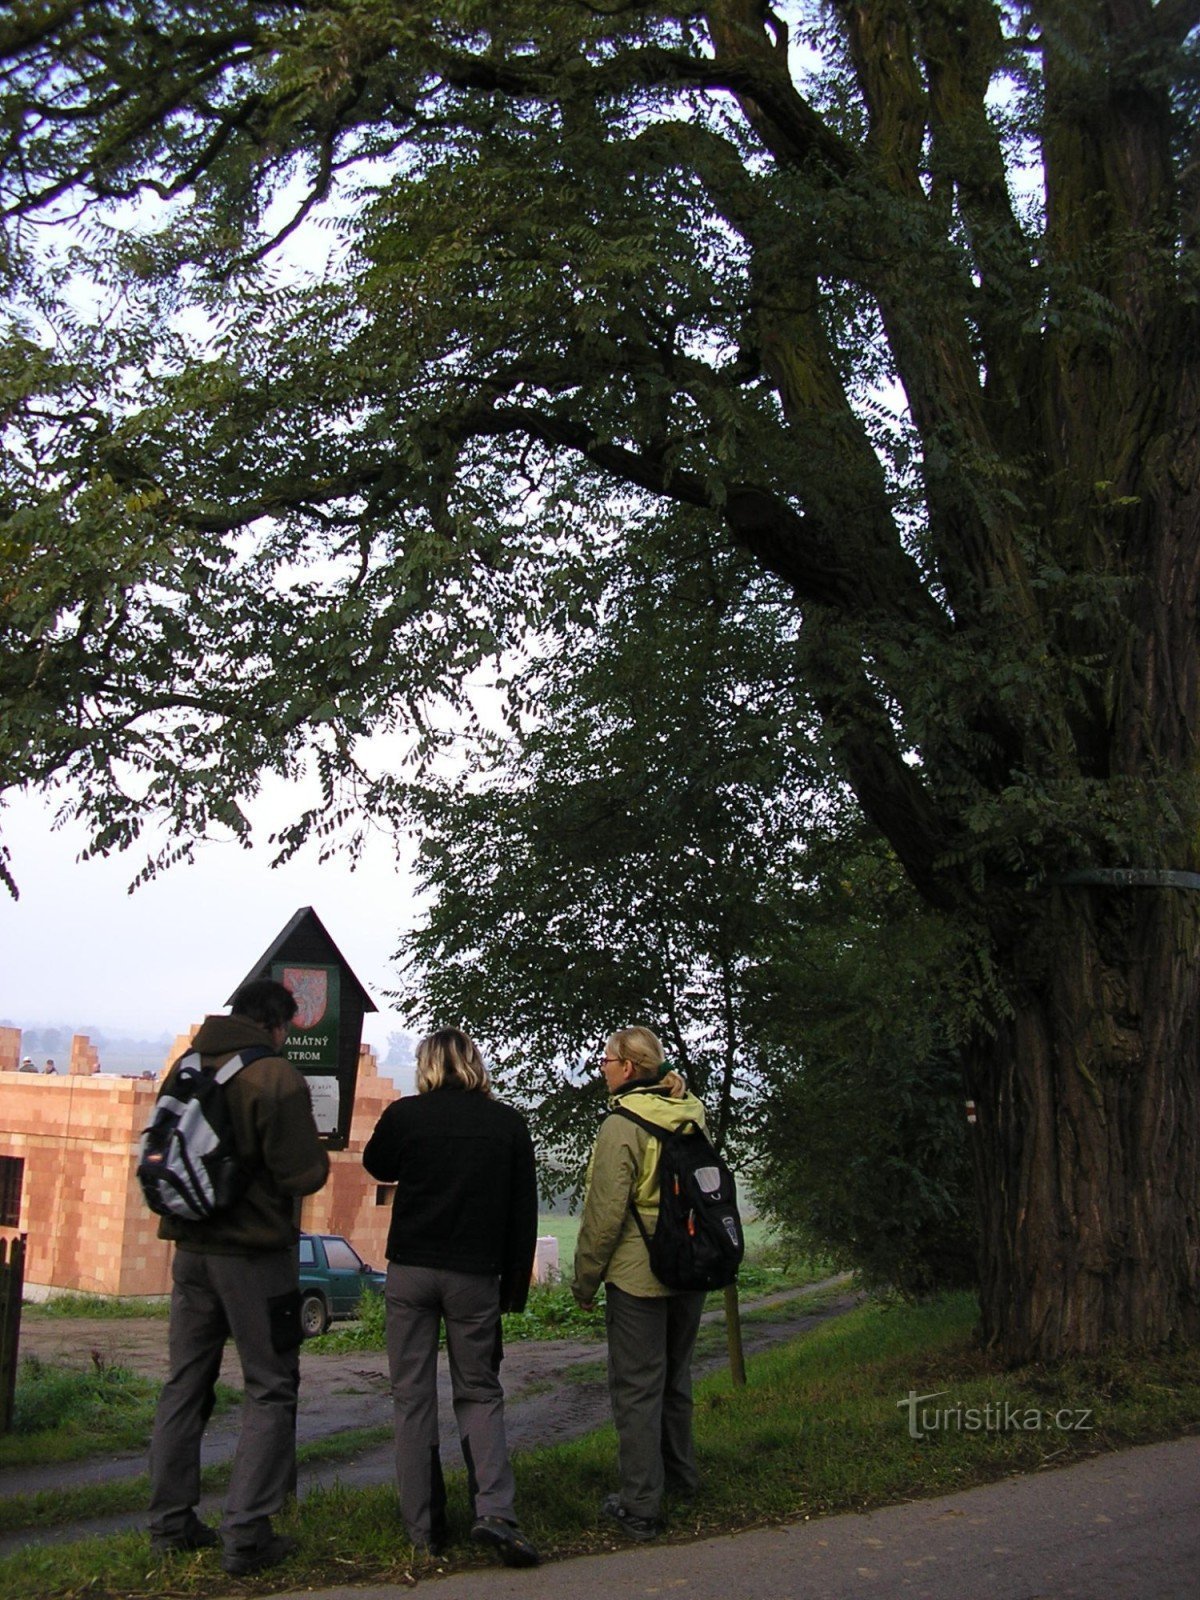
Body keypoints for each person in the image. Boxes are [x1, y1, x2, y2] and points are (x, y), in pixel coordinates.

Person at [147, 978, 329, 1577]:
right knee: (271, 1385)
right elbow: (304, 1174)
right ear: (278, 1025)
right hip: (253, 1256)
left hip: (190, 1249)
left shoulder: (189, 1063)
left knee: (185, 1384)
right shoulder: (274, 1076)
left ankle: (170, 1524)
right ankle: (247, 1533)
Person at [363, 1028, 539, 1567]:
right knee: (480, 1392)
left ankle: (424, 1530)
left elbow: (377, 1164)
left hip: (411, 1272)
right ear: (475, 1065)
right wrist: (513, 1289)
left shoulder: (405, 1116)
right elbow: (522, 1214)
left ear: (427, 1065)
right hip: (474, 1276)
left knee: (412, 1397)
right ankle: (494, 1513)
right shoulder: (507, 1123)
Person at [571, 1025, 709, 1542]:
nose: (601, 1067)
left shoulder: (620, 1125)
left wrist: (585, 1283)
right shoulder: (689, 1110)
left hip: (639, 1278)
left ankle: (641, 1505)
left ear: (628, 1067)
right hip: (693, 1266)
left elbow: (605, 1216)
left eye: (606, 1060)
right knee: (676, 1379)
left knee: (636, 1388)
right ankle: (682, 1479)